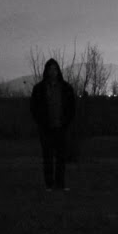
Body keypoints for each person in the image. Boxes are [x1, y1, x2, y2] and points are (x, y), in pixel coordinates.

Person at [29, 58, 76, 191]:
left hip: (61, 127)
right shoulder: (39, 89)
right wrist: (41, 123)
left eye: (55, 69)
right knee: (48, 157)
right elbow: (34, 107)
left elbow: (72, 107)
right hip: (46, 128)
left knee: (61, 157)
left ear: (58, 71)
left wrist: (67, 122)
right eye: (50, 69)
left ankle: (60, 183)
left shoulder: (66, 88)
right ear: (46, 71)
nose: (52, 72)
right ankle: (49, 184)